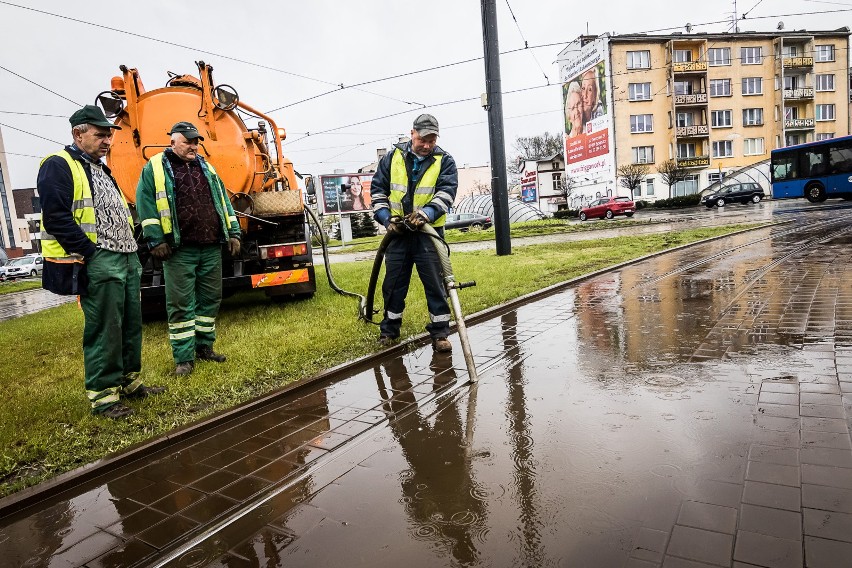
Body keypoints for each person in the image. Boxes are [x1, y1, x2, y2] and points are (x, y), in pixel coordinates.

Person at [38, 105, 165, 419]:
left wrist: (135, 247)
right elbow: (56, 218)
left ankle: (130, 383)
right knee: (105, 328)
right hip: (100, 260)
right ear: (78, 134)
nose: (108, 141)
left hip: (125, 258)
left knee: (131, 324)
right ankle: (104, 398)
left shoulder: (101, 168)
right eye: (100, 135)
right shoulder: (59, 164)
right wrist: (90, 253)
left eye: (109, 135)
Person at [136, 121, 241, 376]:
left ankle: (204, 348)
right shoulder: (156, 167)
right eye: (188, 141)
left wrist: (234, 232)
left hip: (211, 246)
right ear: (173, 141)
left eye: (196, 142)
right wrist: (155, 239)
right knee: (181, 304)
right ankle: (184, 359)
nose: (194, 146)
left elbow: (223, 201)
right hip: (180, 250)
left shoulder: (207, 167)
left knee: (210, 300)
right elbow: (146, 202)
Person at [370, 114, 458, 353]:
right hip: (398, 234)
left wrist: (426, 214)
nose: (427, 145)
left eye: (431, 140)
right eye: (423, 139)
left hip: (428, 235)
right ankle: (389, 331)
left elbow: (447, 193)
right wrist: (387, 220)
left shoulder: (445, 161)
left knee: (435, 284)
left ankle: (440, 333)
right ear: (412, 134)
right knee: (394, 284)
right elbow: (377, 192)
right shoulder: (392, 158)